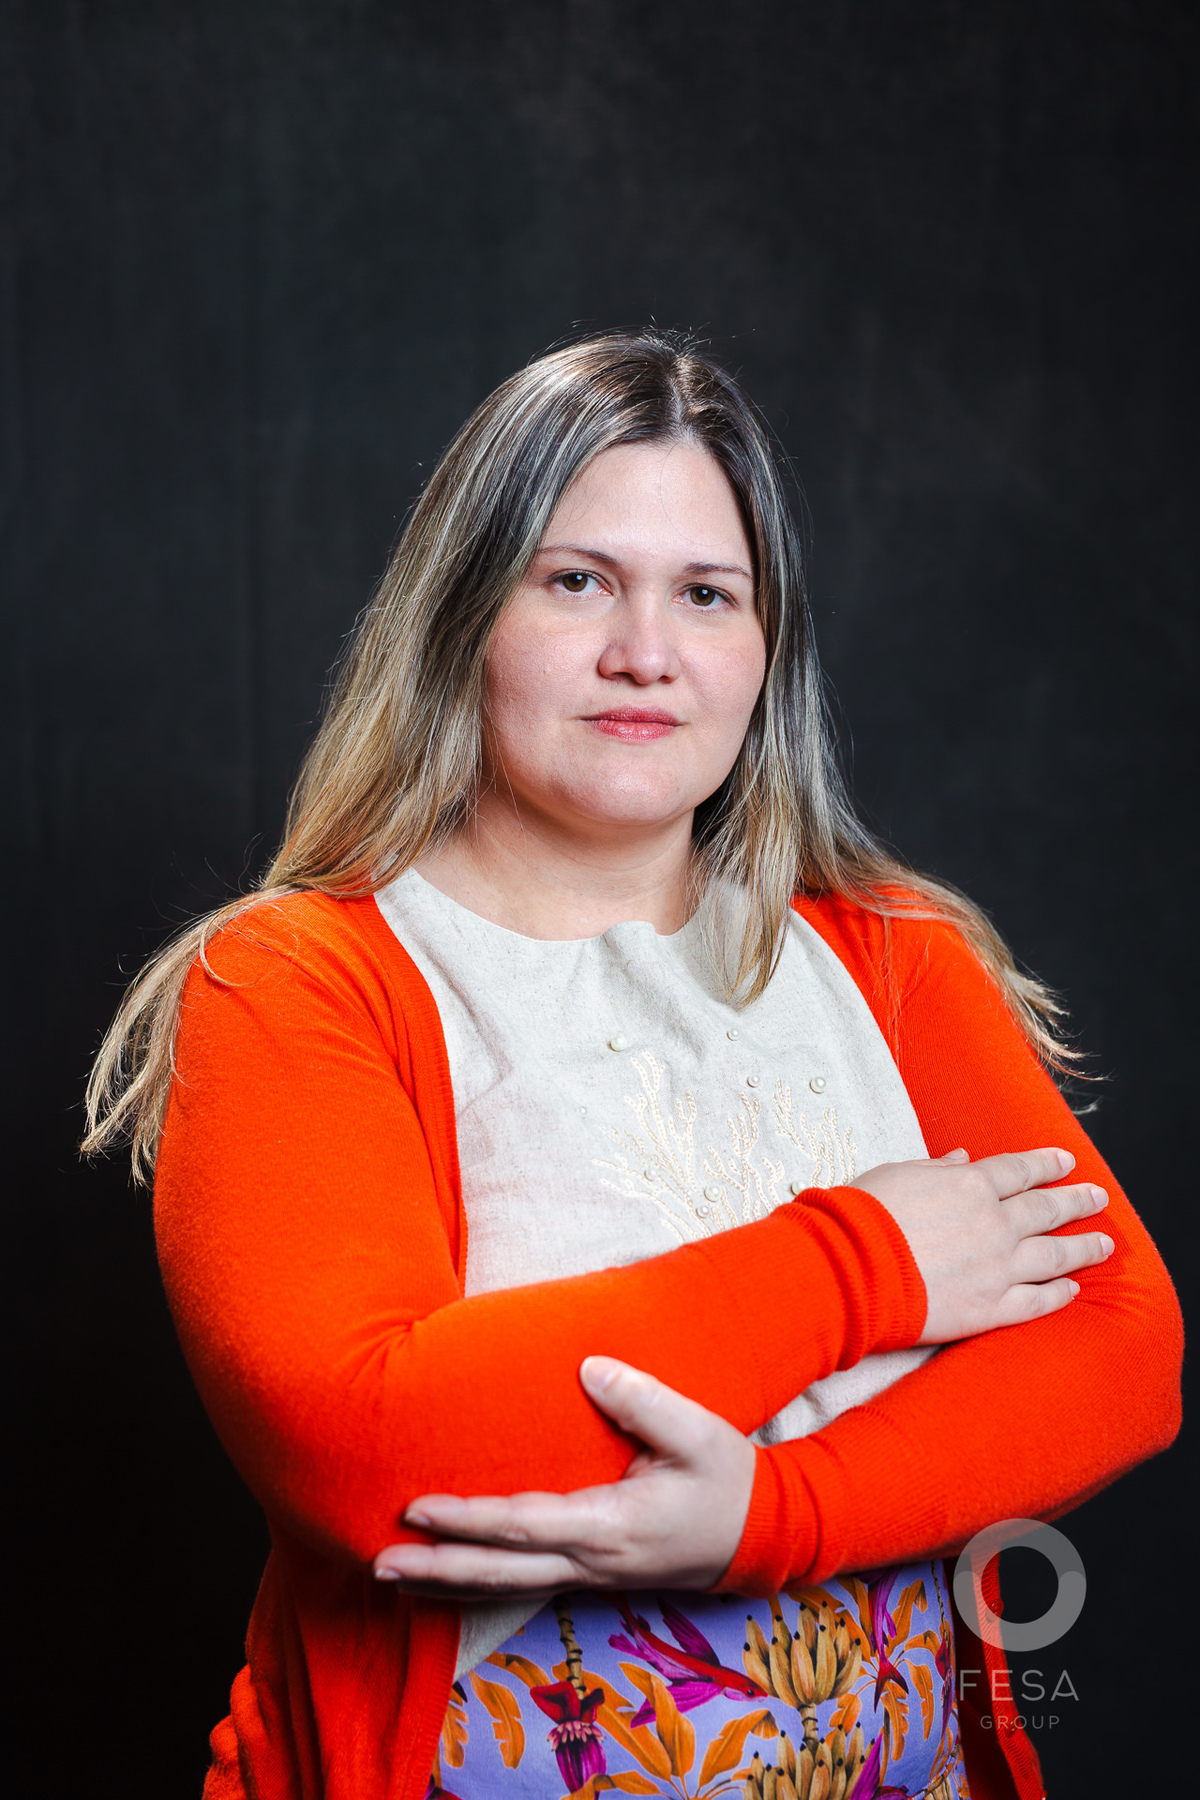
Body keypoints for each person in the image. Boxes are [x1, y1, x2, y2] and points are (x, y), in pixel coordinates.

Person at [84, 332, 1180, 1800]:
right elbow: (370, 1448)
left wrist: (775, 1512)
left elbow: (1121, 1347)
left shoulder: (892, 958)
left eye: (707, 594)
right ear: (464, 614)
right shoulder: (303, 978)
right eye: (577, 581)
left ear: (768, 654)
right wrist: (868, 1263)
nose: (645, 653)